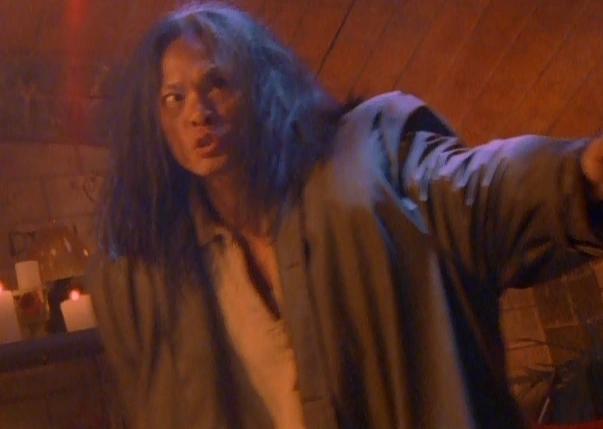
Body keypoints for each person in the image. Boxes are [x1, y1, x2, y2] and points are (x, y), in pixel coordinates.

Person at [85, 2, 603, 429]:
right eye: (173, 98)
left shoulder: (369, 157)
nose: (198, 112)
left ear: (261, 84)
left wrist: (577, 173)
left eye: (216, 83)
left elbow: (475, 190)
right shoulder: (157, 275)